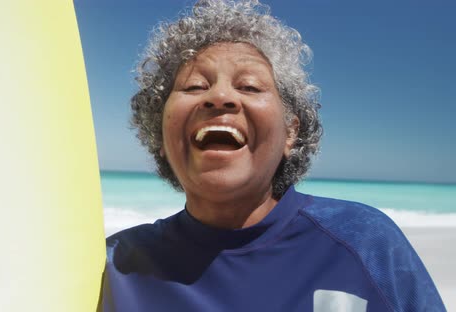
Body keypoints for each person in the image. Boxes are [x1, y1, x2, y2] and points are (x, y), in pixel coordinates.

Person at [101, 1, 446, 311]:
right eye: (194, 87)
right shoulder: (117, 266)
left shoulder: (365, 243)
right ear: (158, 132)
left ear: (291, 133)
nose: (220, 97)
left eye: (249, 86)